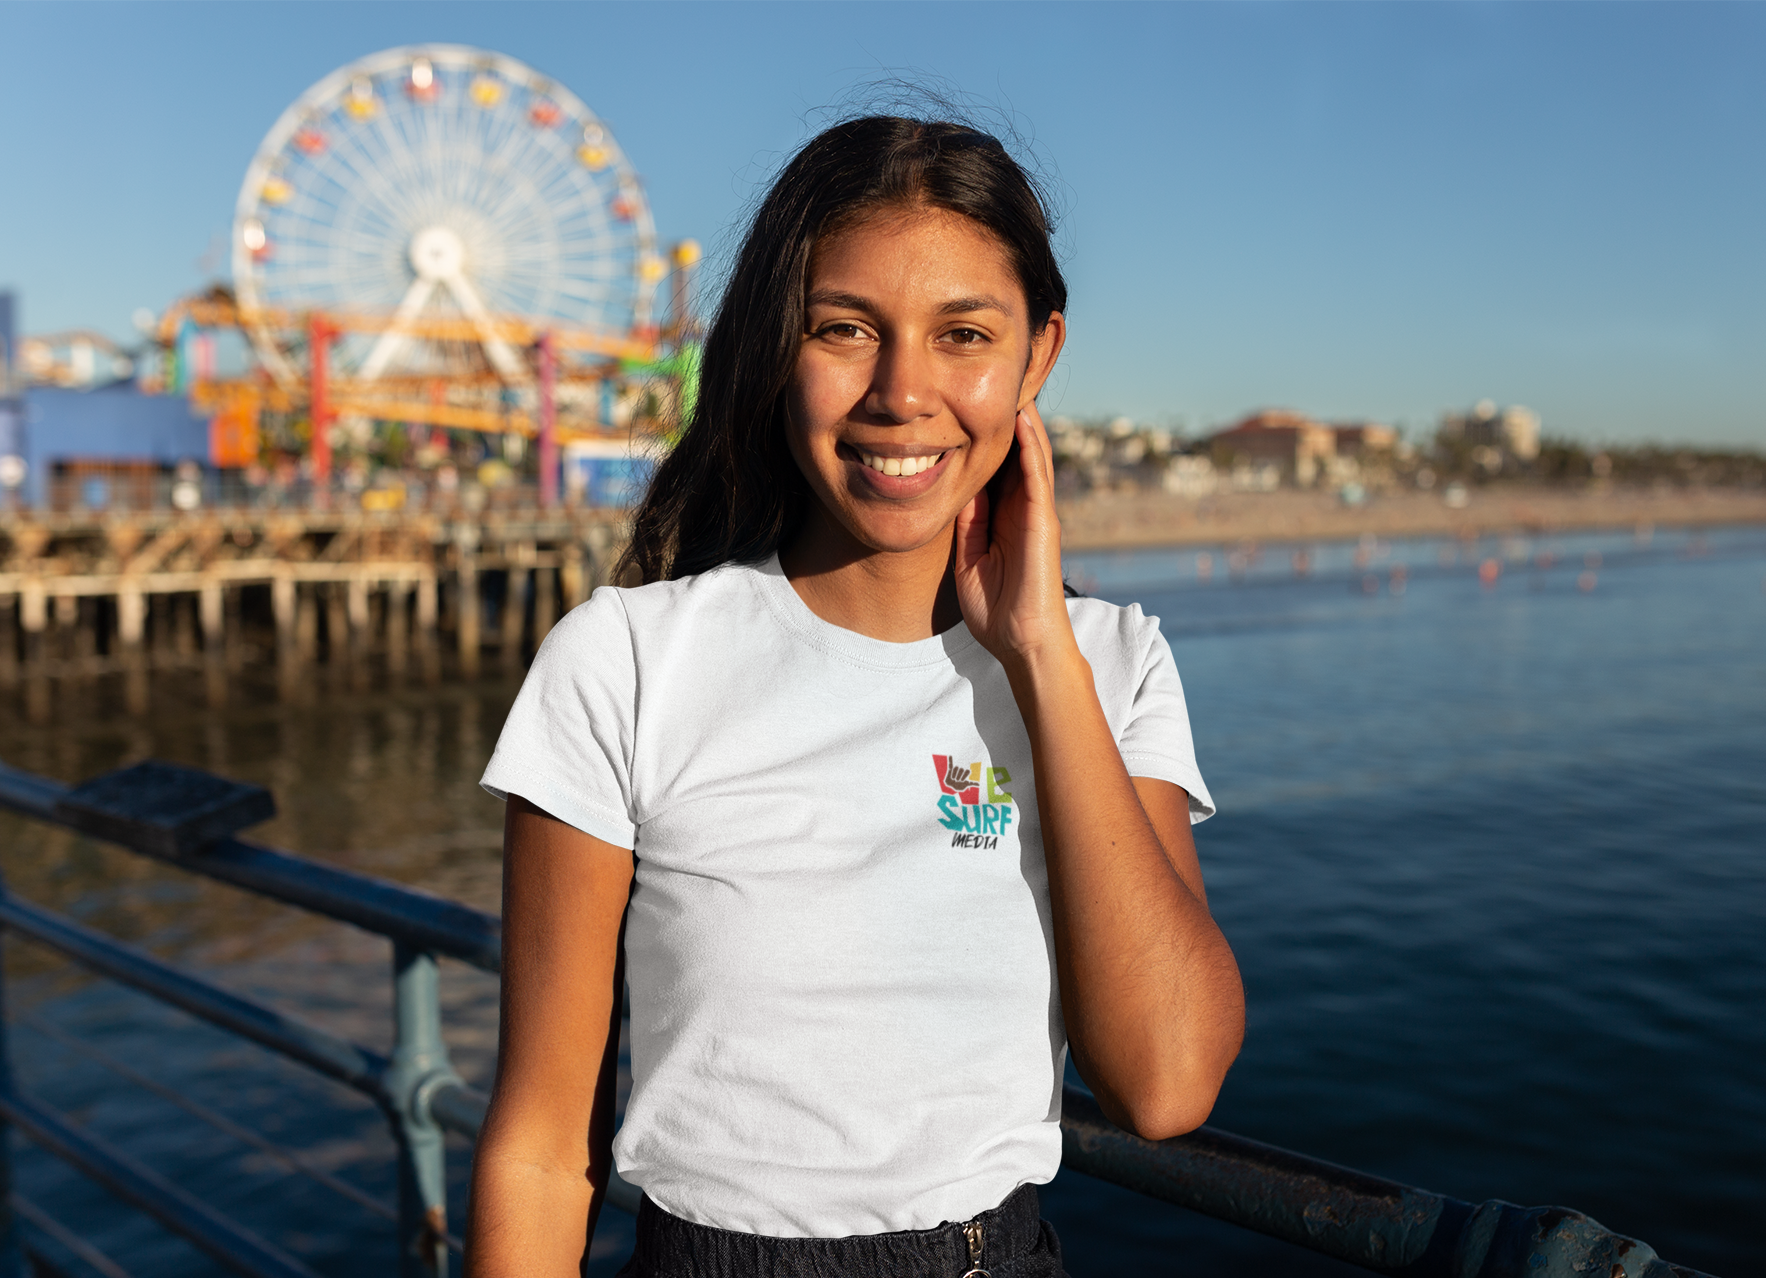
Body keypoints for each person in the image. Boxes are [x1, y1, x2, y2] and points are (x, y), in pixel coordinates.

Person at [469, 115, 1245, 1278]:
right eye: (844, 329)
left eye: (963, 335)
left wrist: (1040, 655)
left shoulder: (1110, 664)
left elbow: (1166, 1082)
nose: (902, 392)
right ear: (776, 346)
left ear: (1038, 356)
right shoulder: (625, 662)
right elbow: (539, 1150)